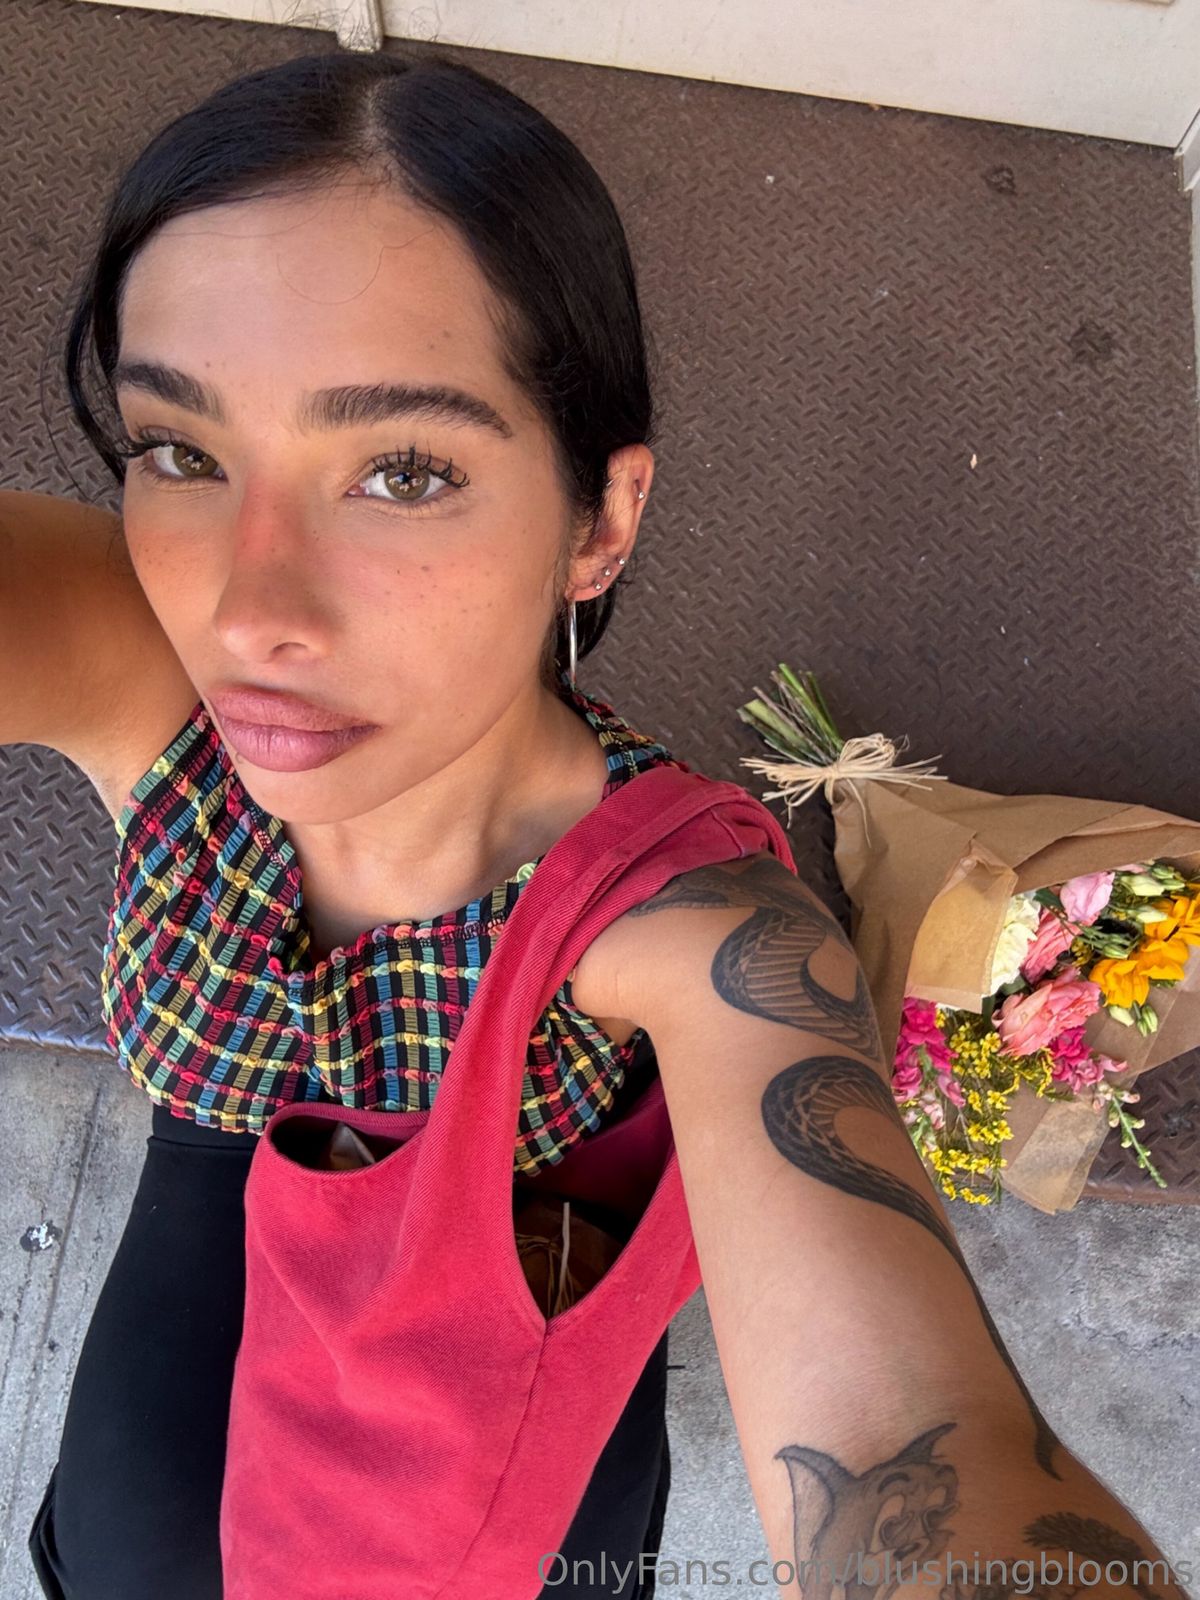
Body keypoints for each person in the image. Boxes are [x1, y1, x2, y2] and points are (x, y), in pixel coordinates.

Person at [4, 44, 1190, 1600]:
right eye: (184, 451)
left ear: (600, 520)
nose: (247, 611)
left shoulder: (686, 926)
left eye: (402, 471)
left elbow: (906, 1436)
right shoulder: (150, 676)